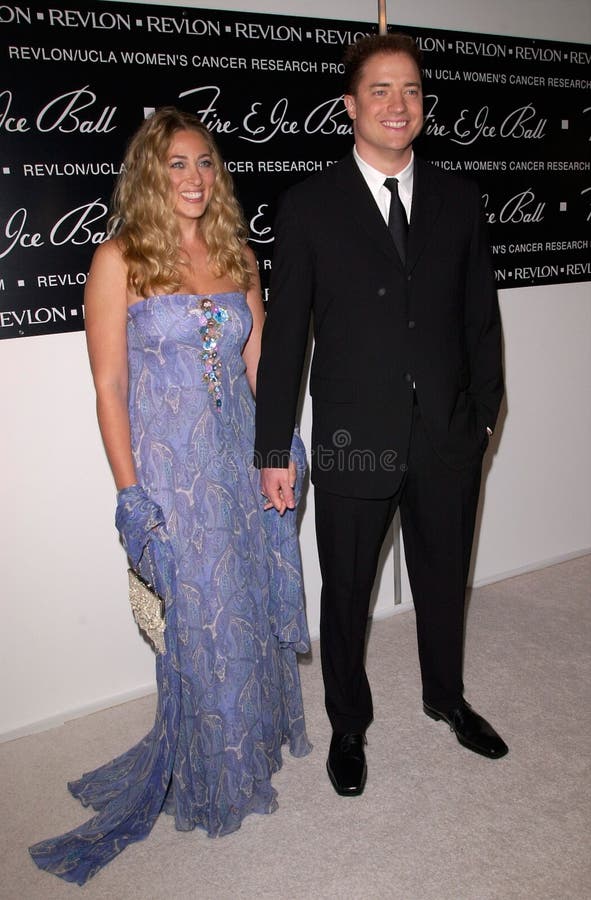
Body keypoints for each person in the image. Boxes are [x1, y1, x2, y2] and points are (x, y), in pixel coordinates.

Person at [29, 107, 311, 884]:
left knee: (246, 605)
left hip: (239, 460)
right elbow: (110, 387)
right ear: (150, 175)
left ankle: (247, 745)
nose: (193, 178)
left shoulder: (238, 254)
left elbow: (261, 366)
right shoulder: (119, 258)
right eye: (177, 165)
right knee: (201, 619)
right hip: (173, 471)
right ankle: (213, 771)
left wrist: (281, 447)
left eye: (206, 164)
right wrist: (130, 496)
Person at [255, 33, 508, 799]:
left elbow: (478, 321)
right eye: (380, 91)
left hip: (444, 438)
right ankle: (348, 725)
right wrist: (272, 447)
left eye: (411, 91)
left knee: (442, 578)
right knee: (347, 591)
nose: (398, 105)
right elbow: (285, 336)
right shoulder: (306, 206)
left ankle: (445, 697)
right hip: (350, 437)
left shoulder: (459, 199)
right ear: (350, 106)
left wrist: (481, 421)